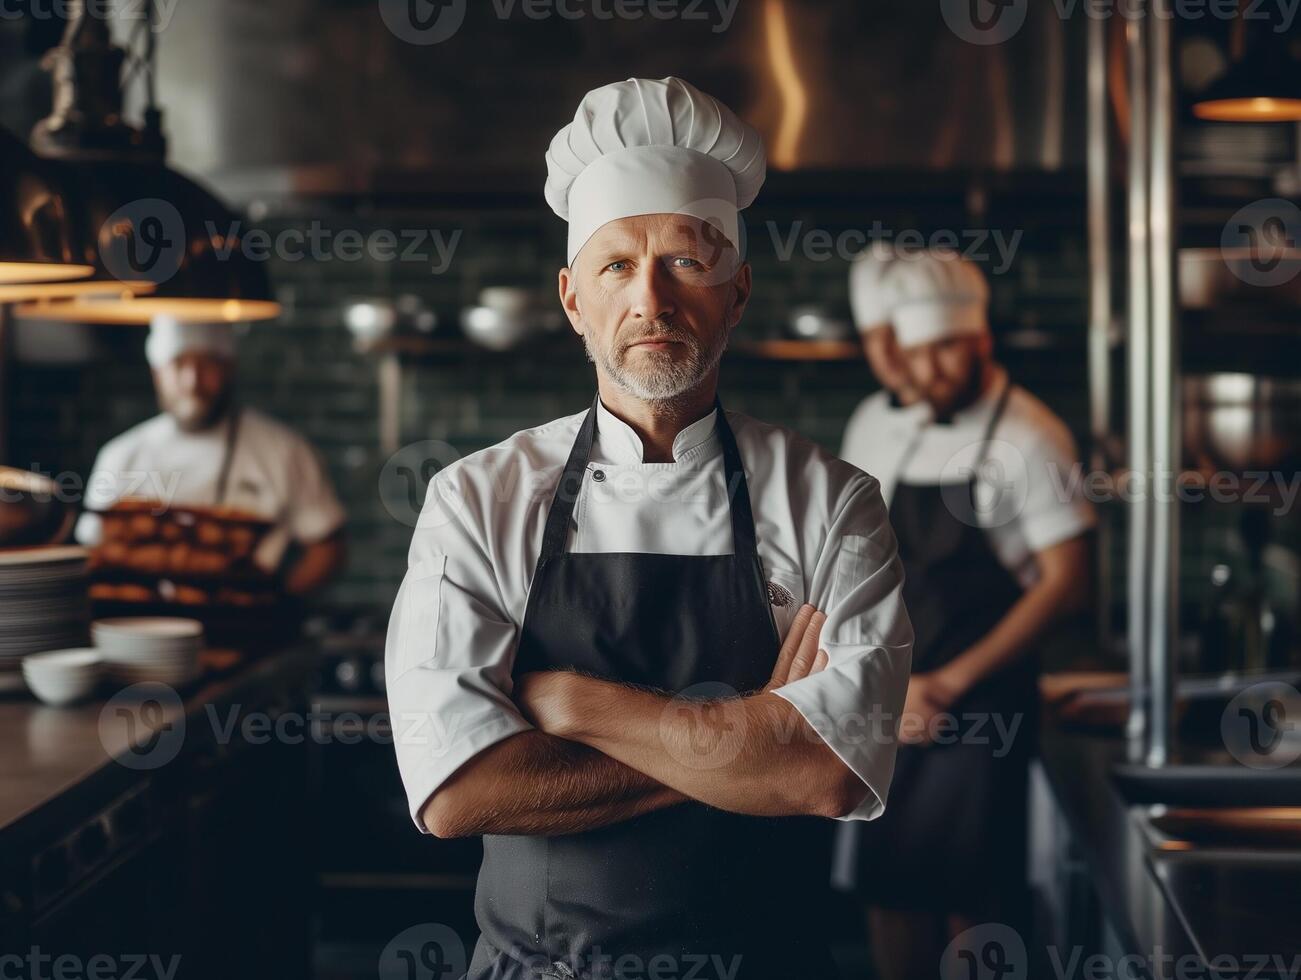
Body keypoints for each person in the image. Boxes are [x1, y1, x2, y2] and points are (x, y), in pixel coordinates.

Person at [384, 77, 914, 980]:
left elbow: (823, 775)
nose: (651, 301)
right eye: (616, 267)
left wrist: (580, 708)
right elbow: (459, 792)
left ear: (737, 290)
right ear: (570, 299)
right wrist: (750, 732)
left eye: (686, 261)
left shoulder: (833, 502)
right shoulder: (477, 500)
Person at [837, 249, 1095, 979]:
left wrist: (946, 684)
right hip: (894, 698)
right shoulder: (895, 421)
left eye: (942, 351)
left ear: (981, 339)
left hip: (977, 708)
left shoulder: (1030, 437)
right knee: (886, 885)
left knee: (967, 896)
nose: (923, 373)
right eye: (910, 354)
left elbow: (1067, 584)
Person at [76, 315, 346, 596]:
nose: (192, 381)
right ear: (157, 372)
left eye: (207, 363)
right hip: (136, 630)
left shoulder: (285, 450)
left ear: (230, 368)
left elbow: (327, 548)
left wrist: (278, 603)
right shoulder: (120, 455)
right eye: (178, 363)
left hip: (245, 632)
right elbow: (95, 550)